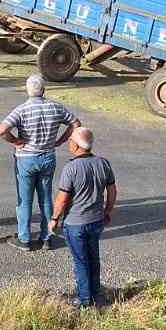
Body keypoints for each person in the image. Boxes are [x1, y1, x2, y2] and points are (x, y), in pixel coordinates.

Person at [0, 74, 81, 252]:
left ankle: (24, 238)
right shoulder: (55, 107)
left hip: (26, 159)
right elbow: (75, 123)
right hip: (48, 157)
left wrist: (16, 141)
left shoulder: (22, 109)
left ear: (27, 90)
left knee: (25, 201)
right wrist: (60, 140)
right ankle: (47, 237)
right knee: (46, 199)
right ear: (44, 89)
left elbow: (2, 130)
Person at [49, 127, 117, 308]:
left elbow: (62, 198)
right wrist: (108, 211)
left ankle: (84, 299)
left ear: (77, 145)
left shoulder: (71, 168)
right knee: (93, 257)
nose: (69, 143)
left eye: (71, 140)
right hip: (96, 220)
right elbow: (111, 190)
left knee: (81, 261)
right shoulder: (103, 163)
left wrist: (54, 218)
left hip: (75, 223)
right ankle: (96, 293)